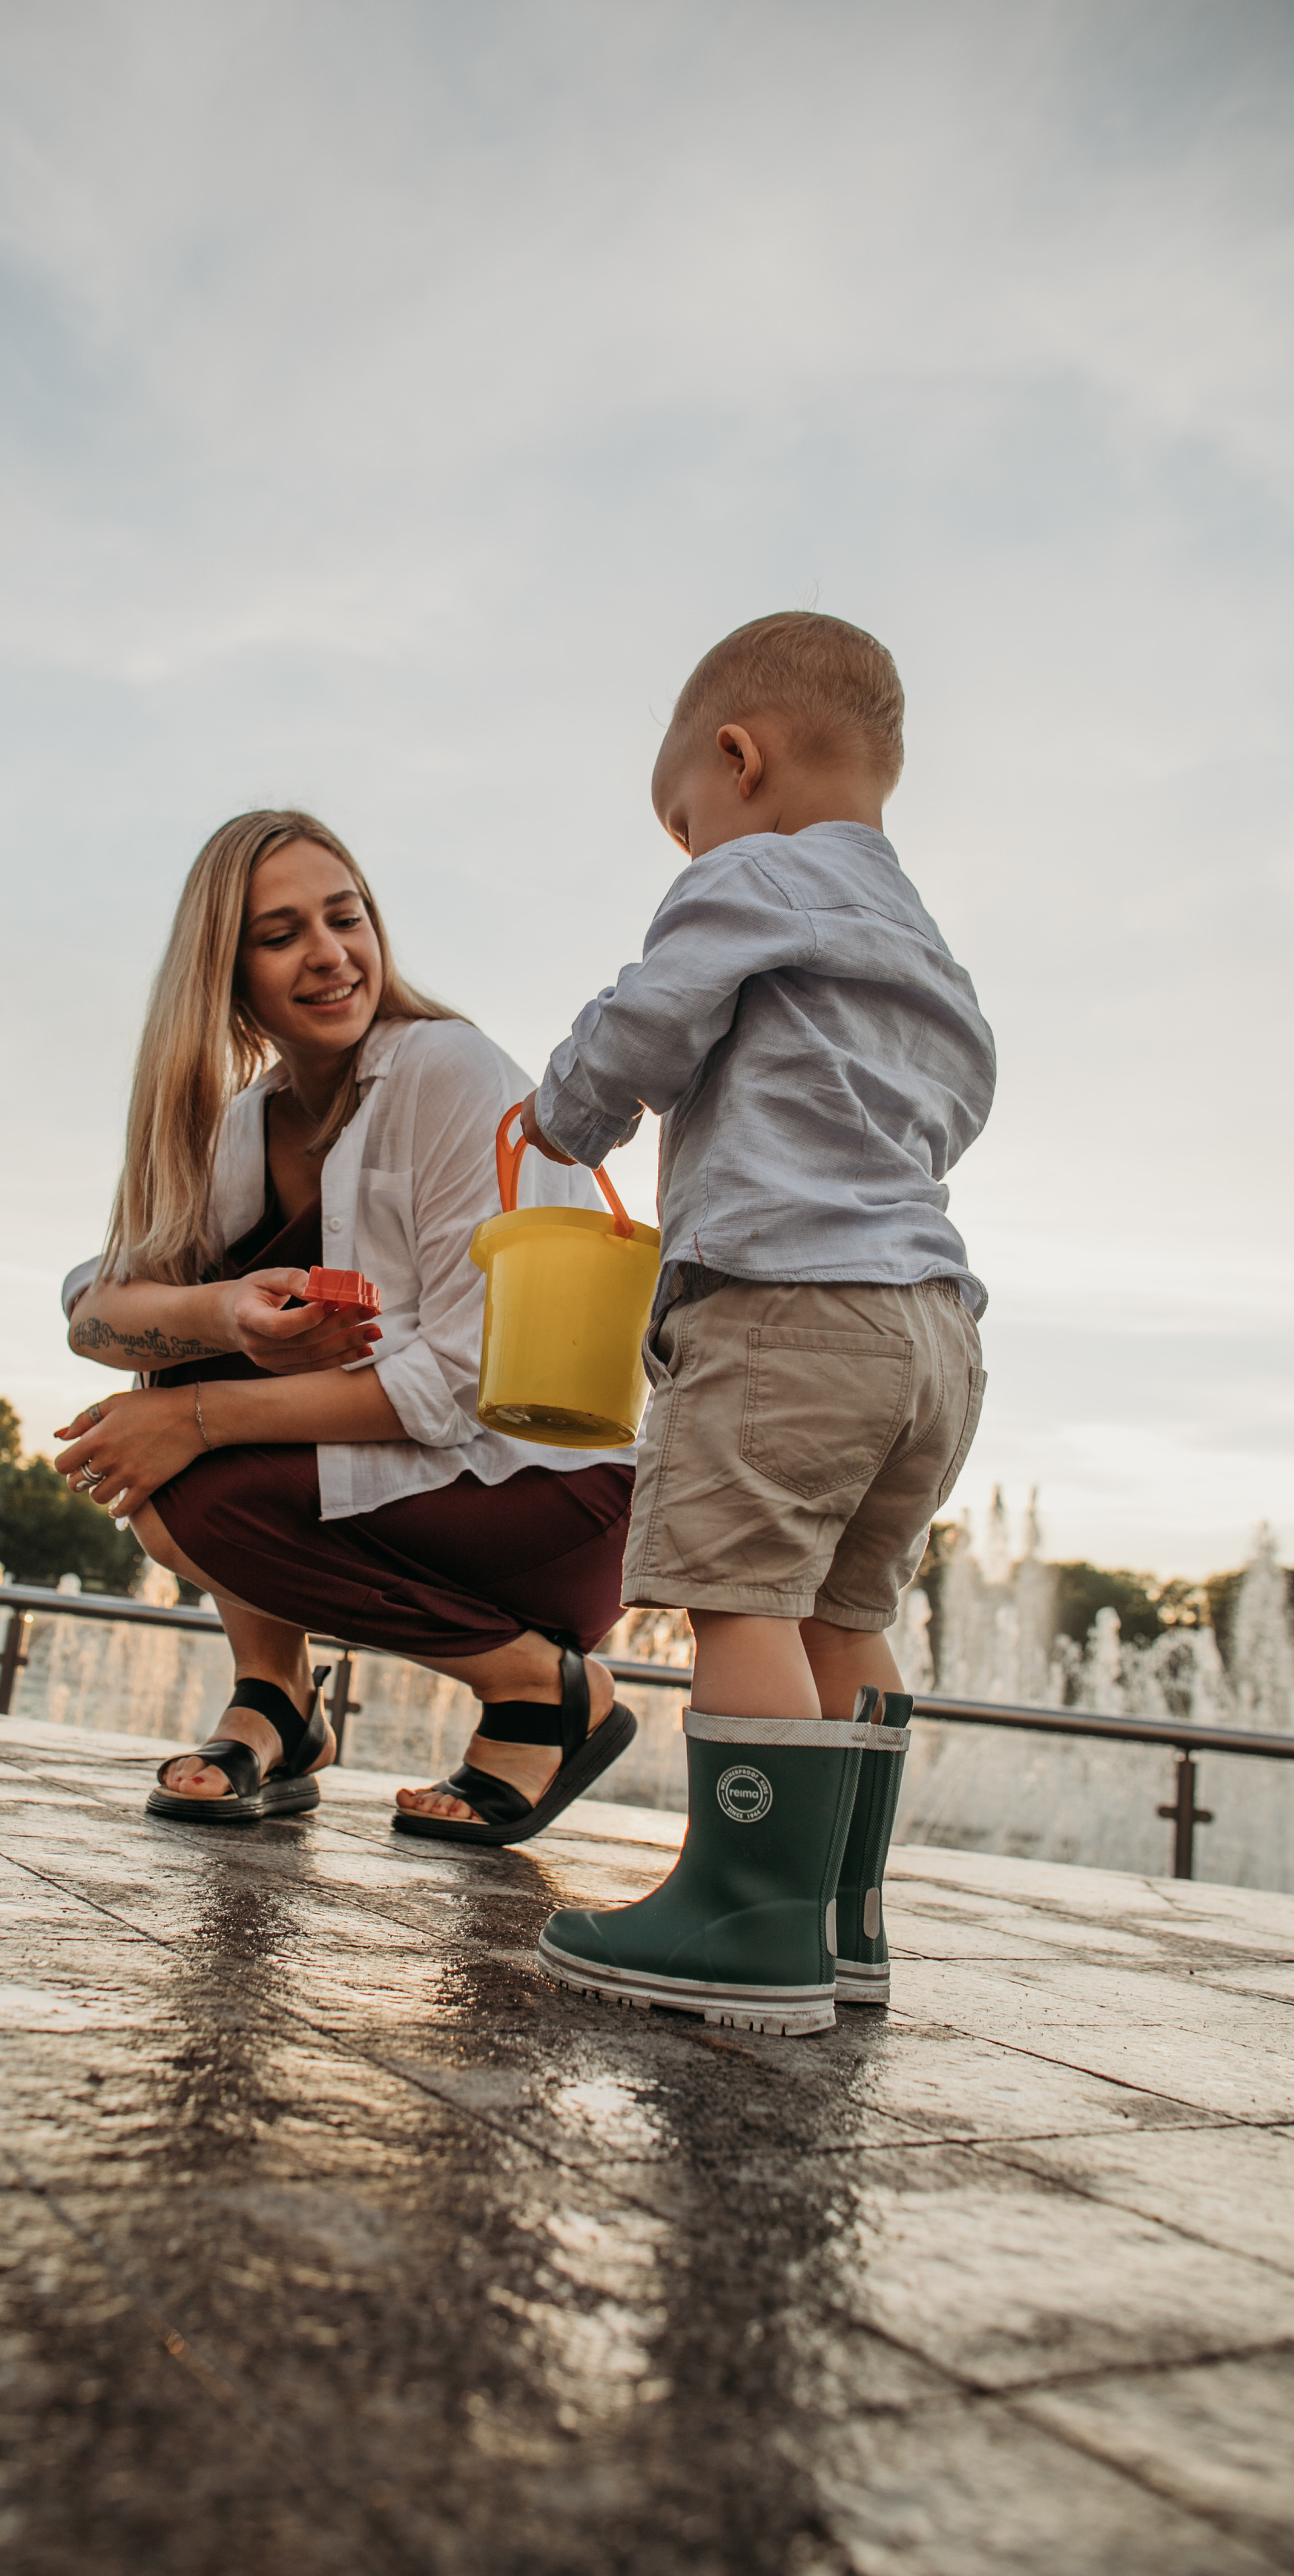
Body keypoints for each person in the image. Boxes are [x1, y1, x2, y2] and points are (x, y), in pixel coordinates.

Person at [518, 612, 996, 2035]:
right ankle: (839, 1922)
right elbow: (959, 1104)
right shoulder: (918, 935)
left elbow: (641, 1025)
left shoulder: (755, 879)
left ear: (737, 759)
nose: (690, 853)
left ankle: (743, 1923)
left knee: (743, 1597)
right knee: (847, 1613)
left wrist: (561, 1110)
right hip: (929, 1336)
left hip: (784, 1310)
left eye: (685, 823)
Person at [53, 808, 639, 1841]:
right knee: (197, 1331)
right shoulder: (249, 1123)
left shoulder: (444, 1069)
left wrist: (196, 1419)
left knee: (183, 1490)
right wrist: (219, 1314)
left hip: (554, 1495)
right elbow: (93, 1308)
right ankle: (277, 1701)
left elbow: (460, 1385)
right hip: (433, 1493)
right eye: (281, 937)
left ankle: (541, 1690)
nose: (330, 957)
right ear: (226, 976)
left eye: (346, 918)